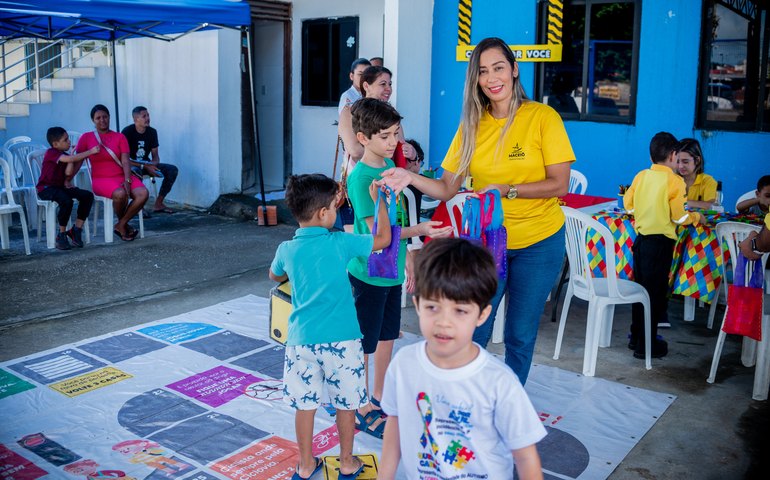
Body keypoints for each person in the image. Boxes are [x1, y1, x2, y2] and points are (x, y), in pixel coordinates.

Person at [379, 37, 575, 385]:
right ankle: (467, 394)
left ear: (514, 70)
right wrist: (408, 175)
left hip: (540, 242)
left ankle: (507, 400)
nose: (491, 78)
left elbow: (559, 184)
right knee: (474, 327)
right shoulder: (472, 125)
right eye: (483, 71)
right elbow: (446, 188)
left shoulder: (542, 117)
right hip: (488, 243)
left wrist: (508, 190)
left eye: (498, 68)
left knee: (520, 334)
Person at [379, 238, 546, 480]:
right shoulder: (403, 364)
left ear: (482, 315)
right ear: (417, 305)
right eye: (433, 307)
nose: (444, 322)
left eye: (460, 311)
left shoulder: (499, 382)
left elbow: (526, 457)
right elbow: (395, 422)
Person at [269, 173, 391, 480]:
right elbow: (384, 239)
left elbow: (275, 275)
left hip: (301, 341)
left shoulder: (286, 249)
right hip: (343, 341)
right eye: (335, 208)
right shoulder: (341, 242)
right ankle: (346, 462)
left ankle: (305, 465)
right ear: (324, 213)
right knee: (346, 405)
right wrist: (379, 203)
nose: (337, 213)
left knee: (305, 406)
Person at [346, 98, 452, 439]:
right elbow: (377, 235)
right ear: (363, 138)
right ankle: (360, 403)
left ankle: (379, 396)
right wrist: (419, 231)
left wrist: (407, 256)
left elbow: (399, 217)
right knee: (365, 343)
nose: (394, 142)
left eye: (395, 133)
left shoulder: (393, 167)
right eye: (385, 136)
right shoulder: (361, 179)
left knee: (388, 335)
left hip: (391, 270)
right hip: (368, 273)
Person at [624, 132, 702, 359]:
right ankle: (646, 347)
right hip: (660, 245)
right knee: (654, 296)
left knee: (640, 292)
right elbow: (679, 217)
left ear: (652, 156)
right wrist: (696, 218)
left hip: (641, 242)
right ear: (673, 155)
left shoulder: (641, 176)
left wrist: (645, 210)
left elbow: (628, 206)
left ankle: (635, 337)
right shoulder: (675, 182)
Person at [76, 104, 148, 241]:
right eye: (98, 118)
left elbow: (125, 161)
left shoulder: (120, 137)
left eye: (105, 117)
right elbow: (78, 160)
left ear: (109, 117)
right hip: (101, 179)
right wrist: (67, 179)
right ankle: (124, 225)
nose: (102, 120)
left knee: (143, 193)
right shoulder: (86, 137)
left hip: (122, 175)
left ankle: (120, 225)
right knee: (120, 194)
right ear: (93, 120)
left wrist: (127, 180)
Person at [338, 66, 418, 170]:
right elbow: (355, 151)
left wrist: (413, 154)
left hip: (388, 175)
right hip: (361, 174)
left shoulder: (391, 113)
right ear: (366, 86)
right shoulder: (350, 112)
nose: (389, 89)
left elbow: (400, 148)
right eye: (383, 84)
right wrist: (386, 154)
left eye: (390, 84)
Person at [37, 127, 98, 250]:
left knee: (87, 196)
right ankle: (61, 234)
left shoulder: (65, 155)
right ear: (55, 144)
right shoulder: (51, 152)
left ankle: (76, 230)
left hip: (60, 187)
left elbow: (69, 173)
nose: (69, 142)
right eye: (65, 140)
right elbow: (70, 159)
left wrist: (71, 155)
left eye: (68, 139)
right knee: (66, 200)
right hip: (46, 189)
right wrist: (90, 151)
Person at [121, 106, 179, 214]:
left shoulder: (152, 132)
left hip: (147, 164)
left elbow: (155, 156)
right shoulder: (127, 132)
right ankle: (138, 206)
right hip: (132, 166)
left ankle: (159, 203)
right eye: (144, 116)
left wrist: (153, 165)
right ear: (136, 119)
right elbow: (124, 159)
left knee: (172, 170)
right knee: (136, 171)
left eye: (148, 115)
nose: (148, 118)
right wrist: (145, 166)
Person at [676, 138, 718, 210]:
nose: (680, 166)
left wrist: (685, 203)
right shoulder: (673, 180)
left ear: (697, 160)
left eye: (685, 162)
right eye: (677, 161)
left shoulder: (708, 181)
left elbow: (713, 206)